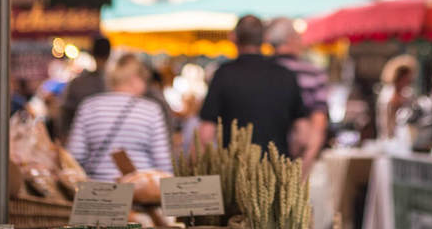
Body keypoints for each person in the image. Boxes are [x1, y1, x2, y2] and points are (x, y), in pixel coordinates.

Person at [199, 15, 306, 154]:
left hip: (234, 171)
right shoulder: (286, 75)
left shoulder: (223, 75)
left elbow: (205, 135)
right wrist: (288, 164)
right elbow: (302, 135)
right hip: (277, 171)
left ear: (233, 37)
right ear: (266, 38)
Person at [67, 53, 174, 182]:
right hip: (138, 195)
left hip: (96, 193)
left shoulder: (89, 106)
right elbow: (163, 163)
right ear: (135, 79)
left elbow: (74, 157)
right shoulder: (151, 110)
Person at [265, 17, 329, 176]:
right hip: (298, 155)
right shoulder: (314, 73)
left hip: (262, 155)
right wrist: (305, 164)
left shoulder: (259, 73)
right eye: (299, 37)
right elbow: (319, 122)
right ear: (291, 39)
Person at [59, 35, 112, 137]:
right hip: (109, 138)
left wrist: (64, 136)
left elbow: (65, 114)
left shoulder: (77, 83)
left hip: (82, 137)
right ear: (109, 54)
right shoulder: (116, 84)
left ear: (91, 53)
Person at [376, 55, 419, 140]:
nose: (408, 82)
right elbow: (386, 121)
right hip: (390, 138)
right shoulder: (388, 93)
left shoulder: (407, 93)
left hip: (404, 138)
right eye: (406, 78)